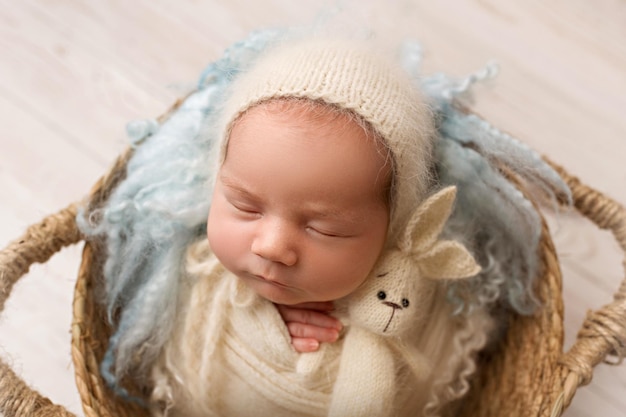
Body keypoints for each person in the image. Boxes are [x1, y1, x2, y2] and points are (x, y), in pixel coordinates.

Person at [82, 30, 559, 417]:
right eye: (245, 206)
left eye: (324, 228)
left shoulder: (412, 295)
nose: (271, 246)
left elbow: (422, 380)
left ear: (395, 229)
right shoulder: (194, 273)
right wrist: (256, 317)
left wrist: (360, 338)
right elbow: (187, 355)